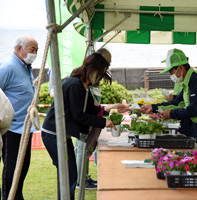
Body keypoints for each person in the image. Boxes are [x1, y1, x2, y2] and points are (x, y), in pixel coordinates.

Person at [41, 51, 129, 200]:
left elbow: (90, 110)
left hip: (60, 134)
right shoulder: (74, 84)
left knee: (68, 174)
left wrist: (110, 107)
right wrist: (104, 122)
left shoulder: (82, 86)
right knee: (69, 174)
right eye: (100, 74)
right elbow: (78, 116)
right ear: (93, 69)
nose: (99, 78)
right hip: (53, 134)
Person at [140, 48, 197, 149]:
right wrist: (153, 107)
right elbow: (177, 103)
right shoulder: (188, 82)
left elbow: (195, 110)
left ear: (181, 68)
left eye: (171, 72)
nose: (170, 75)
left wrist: (171, 114)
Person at [0, 35, 39, 200]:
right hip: (11, 130)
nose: (35, 53)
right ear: (19, 49)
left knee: (22, 167)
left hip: (25, 128)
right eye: (32, 49)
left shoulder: (25, 66)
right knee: (12, 170)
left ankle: (17, 196)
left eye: (37, 50)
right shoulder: (8, 67)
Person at [74, 48, 112, 190]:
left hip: (92, 121)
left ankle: (84, 177)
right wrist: (103, 119)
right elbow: (81, 113)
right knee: (82, 149)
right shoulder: (78, 84)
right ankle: (80, 180)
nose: (108, 66)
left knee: (86, 150)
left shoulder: (91, 81)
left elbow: (94, 107)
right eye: (107, 62)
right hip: (84, 124)